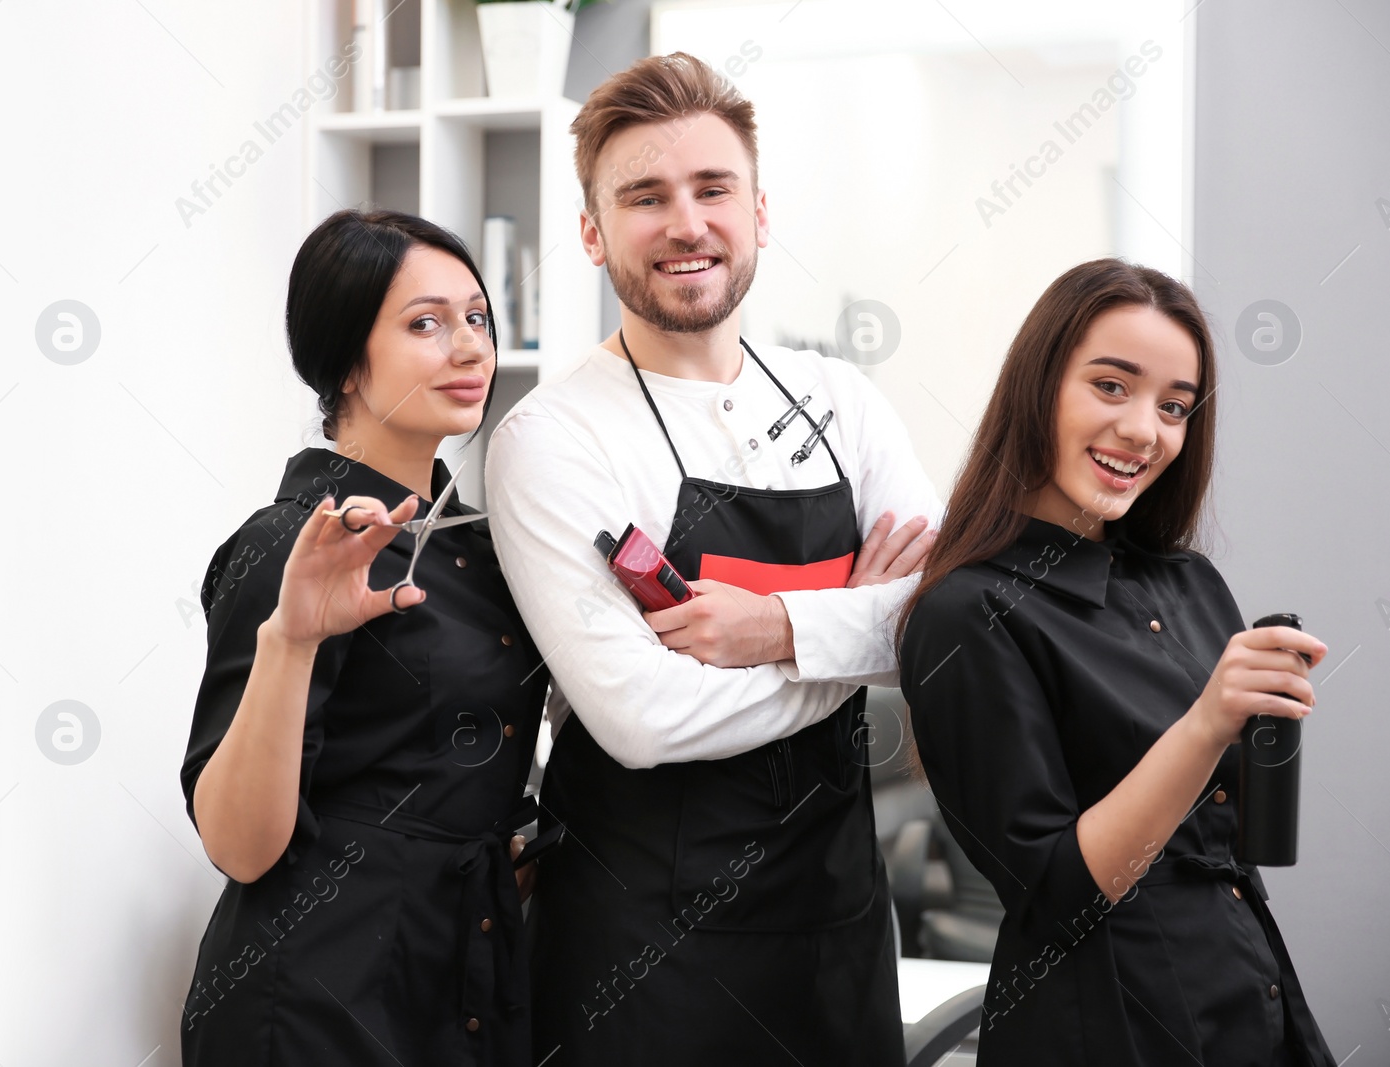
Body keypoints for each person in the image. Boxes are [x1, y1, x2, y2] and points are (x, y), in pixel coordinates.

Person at [484, 53, 941, 1065]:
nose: (685, 223)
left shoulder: (841, 403)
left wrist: (773, 629)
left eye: (711, 189)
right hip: (642, 958)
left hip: (835, 928)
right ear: (593, 232)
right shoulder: (551, 438)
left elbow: (948, 628)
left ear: (759, 212)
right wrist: (848, 632)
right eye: (645, 196)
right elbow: (644, 718)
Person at [898, 258, 1338, 1066]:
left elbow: (1234, 831)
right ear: (1038, 387)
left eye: (1175, 406)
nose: (1146, 430)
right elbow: (1057, 893)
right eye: (1111, 386)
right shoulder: (968, 613)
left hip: (1250, 990)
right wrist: (1207, 724)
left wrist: (1259, 725)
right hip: (1106, 1022)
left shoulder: (1190, 580)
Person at [178, 209, 548, 1066]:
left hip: (464, 978)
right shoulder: (288, 544)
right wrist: (292, 640)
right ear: (346, 358)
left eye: (476, 318)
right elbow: (237, 842)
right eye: (426, 323)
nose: (468, 347)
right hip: (316, 996)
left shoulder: (485, 546)